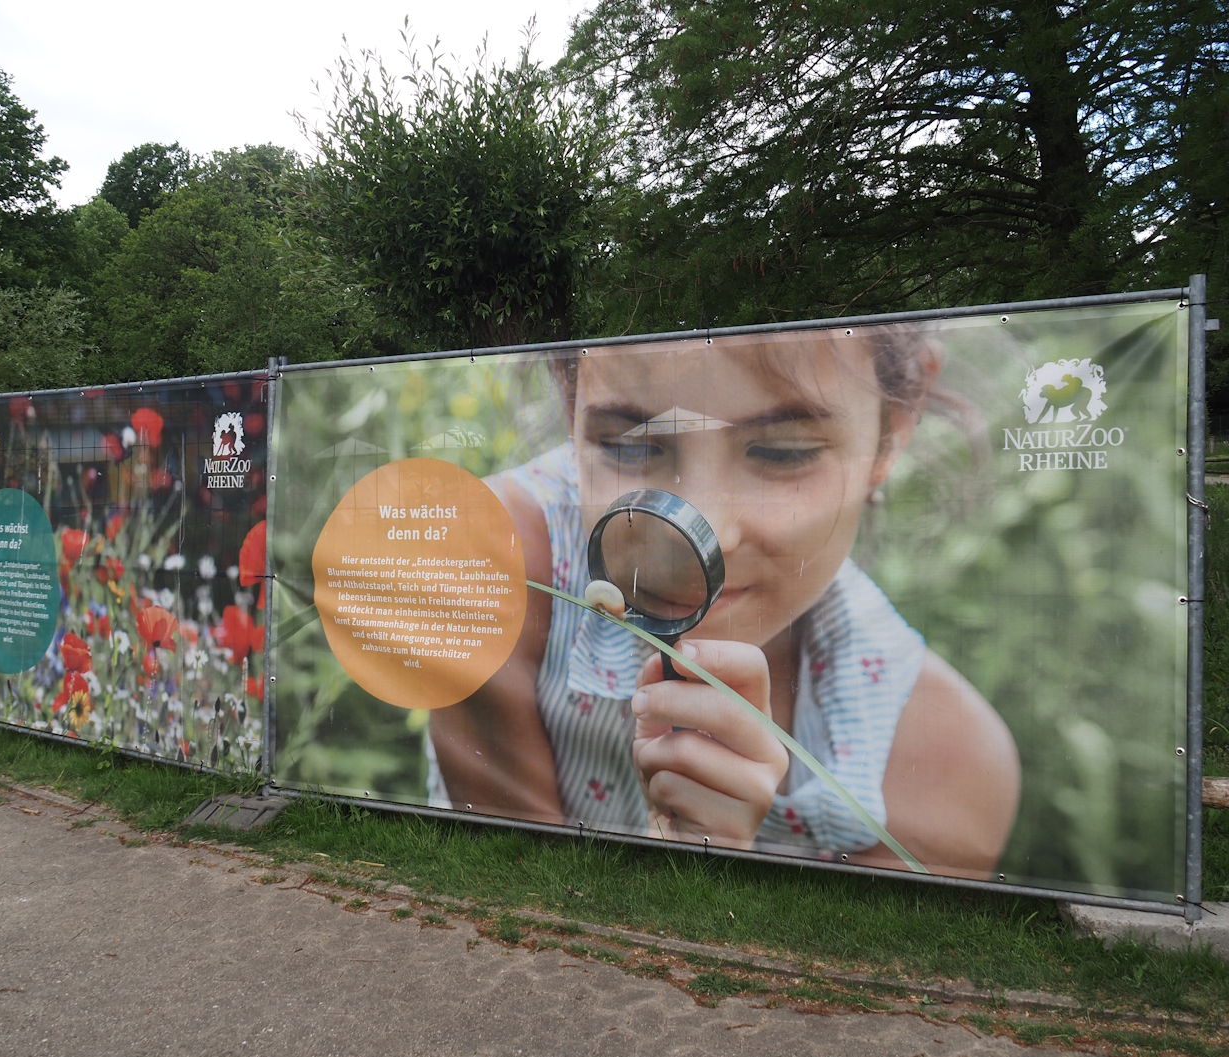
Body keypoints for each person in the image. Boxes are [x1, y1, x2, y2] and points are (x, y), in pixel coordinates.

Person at [428, 327, 1021, 876]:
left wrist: (709, 880)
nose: (703, 531)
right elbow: (517, 915)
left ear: (895, 426)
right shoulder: (490, 566)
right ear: (569, 401)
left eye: (783, 452)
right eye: (630, 445)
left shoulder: (946, 762)